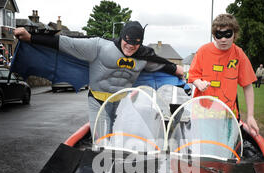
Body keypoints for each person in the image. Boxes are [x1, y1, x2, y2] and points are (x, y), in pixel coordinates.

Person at [14, 22, 184, 135]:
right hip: (98, 101)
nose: (131, 46)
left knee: (122, 141)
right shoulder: (99, 47)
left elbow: (162, 65)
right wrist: (31, 37)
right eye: (127, 41)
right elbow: (66, 43)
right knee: (102, 142)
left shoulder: (144, 57)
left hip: (122, 105)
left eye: (136, 43)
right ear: (122, 36)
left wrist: (176, 69)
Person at [188, 14, 259, 136]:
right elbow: (193, 75)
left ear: (234, 34)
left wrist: (251, 116)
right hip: (203, 115)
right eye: (219, 35)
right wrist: (199, 83)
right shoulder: (203, 51)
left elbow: (247, 86)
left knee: (226, 152)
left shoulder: (239, 54)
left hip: (227, 116)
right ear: (214, 36)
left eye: (228, 34)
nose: (223, 39)